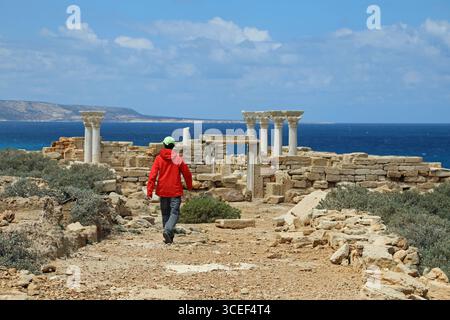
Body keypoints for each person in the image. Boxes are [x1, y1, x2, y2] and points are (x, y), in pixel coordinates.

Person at [147, 136, 193, 244]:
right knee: (174, 213)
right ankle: (168, 231)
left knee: (165, 214)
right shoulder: (177, 158)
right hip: (175, 190)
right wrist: (189, 186)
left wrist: (149, 191)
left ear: (164, 145)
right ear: (173, 146)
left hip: (162, 190)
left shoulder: (158, 158)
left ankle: (168, 237)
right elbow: (187, 173)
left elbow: (152, 176)